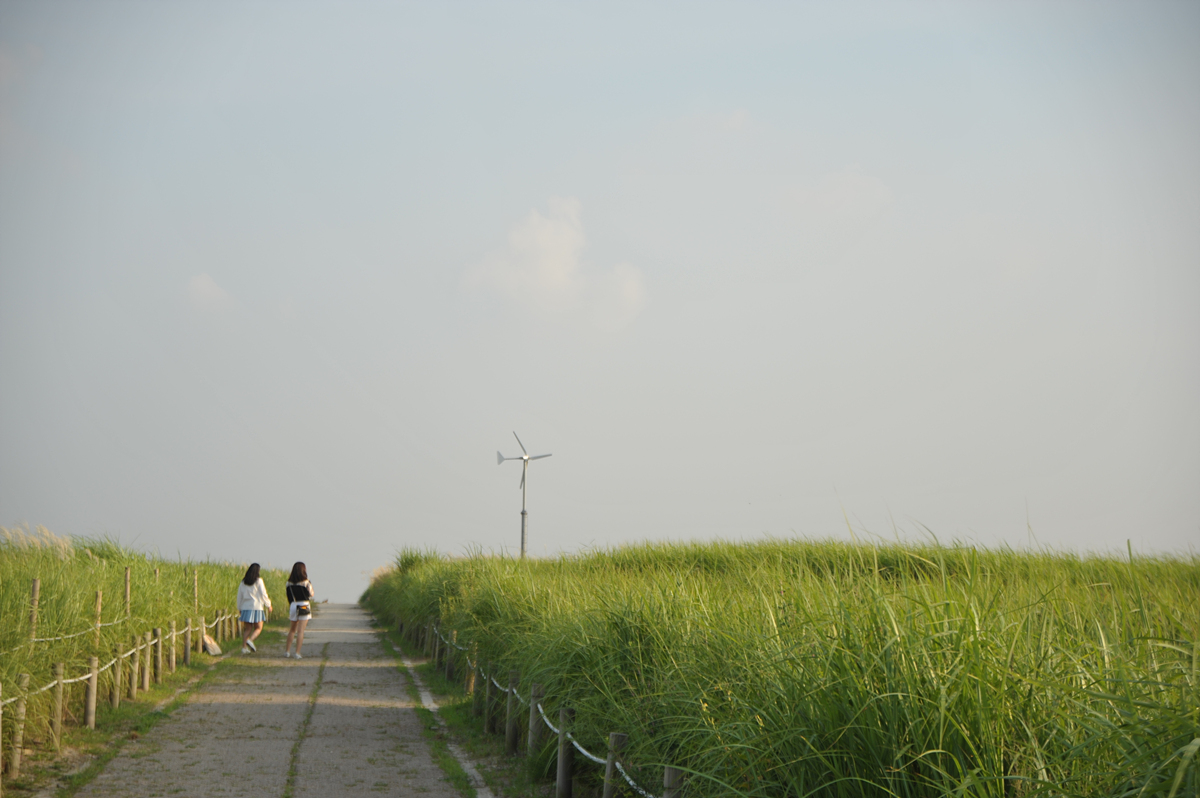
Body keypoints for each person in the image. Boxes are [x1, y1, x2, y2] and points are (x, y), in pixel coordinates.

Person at [237, 563, 272, 655]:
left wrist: (239, 607)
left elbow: (239, 596)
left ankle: (244, 648)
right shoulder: (259, 581)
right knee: (259, 627)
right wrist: (268, 604)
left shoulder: (243, 582)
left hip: (245, 607)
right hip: (256, 607)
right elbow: (263, 594)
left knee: (248, 629)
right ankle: (250, 640)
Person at [285, 561, 314, 659]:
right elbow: (311, 594)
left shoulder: (288, 583)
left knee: (292, 630)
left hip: (293, 605)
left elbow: (288, 596)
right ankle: (297, 653)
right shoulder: (306, 582)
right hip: (304, 605)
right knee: (300, 631)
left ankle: (287, 651)